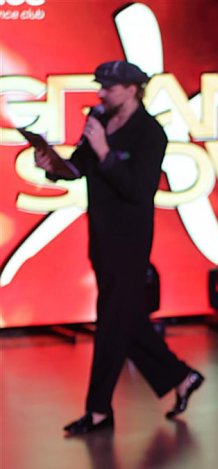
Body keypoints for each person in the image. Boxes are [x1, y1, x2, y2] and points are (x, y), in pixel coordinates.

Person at [34, 61, 203, 436]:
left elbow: (138, 190)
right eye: (100, 86)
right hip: (101, 234)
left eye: (108, 87)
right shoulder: (98, 120)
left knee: (112, 322)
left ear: (131, 89)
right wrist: (52, 166)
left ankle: (98, 411)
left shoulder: (150, 133)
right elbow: (78, 169)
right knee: (127, 320)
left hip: (130, 240)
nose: (100, 93)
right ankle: (181, 377)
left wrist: (104, 150)